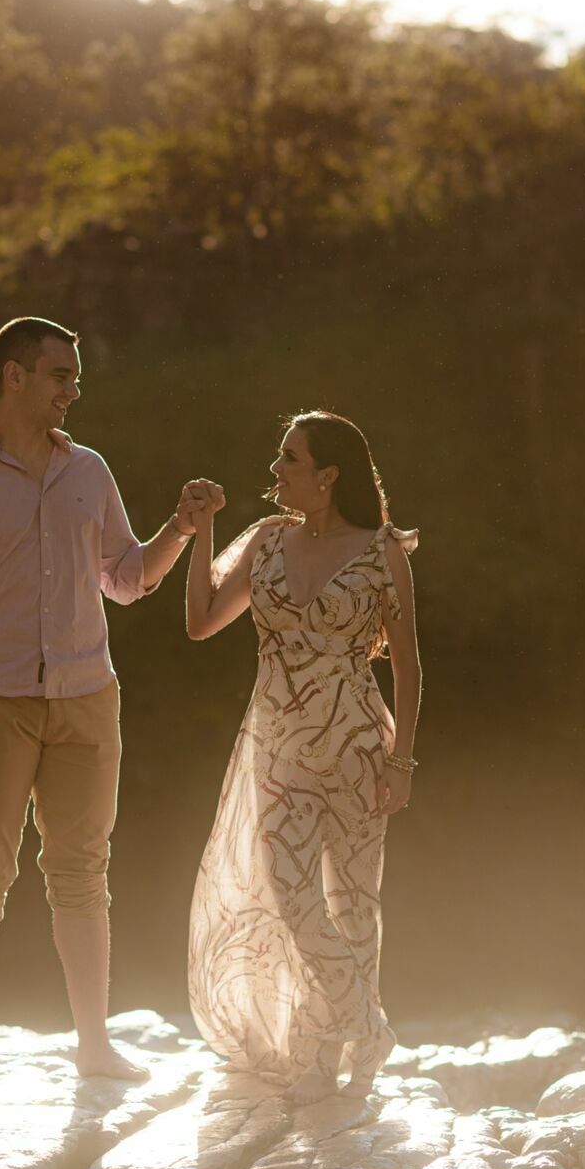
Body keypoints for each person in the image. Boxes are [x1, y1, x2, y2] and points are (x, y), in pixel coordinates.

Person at [0, 315, 216, 1085]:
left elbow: (128, 579)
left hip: (87, 698)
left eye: (75, 379)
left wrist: (179, 527)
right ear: (14, 376)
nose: (73, 392)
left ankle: (94, 1046)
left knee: (83, 871)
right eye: (60, 377)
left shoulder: (91, 472)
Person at [182, 410, 422, 1102]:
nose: (275, 470)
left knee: (353, 903)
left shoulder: (383, 552)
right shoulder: (266, 540)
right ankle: (365, 1023)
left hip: (355, 747)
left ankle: (324, 1058)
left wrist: (401, 762)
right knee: (291, 899)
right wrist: (202, 538)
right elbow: (200, 622)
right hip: (279, 750)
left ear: (328, 474)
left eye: (290, 459)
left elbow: (406, 667)